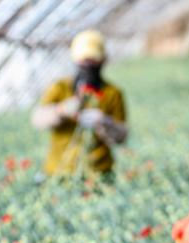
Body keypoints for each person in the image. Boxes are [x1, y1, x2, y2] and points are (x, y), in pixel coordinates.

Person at [31, 30, 128, 177]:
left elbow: (122, 136)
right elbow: (38, 119)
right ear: (74, 59)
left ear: (103, 60)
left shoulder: (112, 93)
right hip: (59, 170)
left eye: (93, 60)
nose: (88, 65)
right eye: (83, 60)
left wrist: (104, 122)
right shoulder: (60, 87)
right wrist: (61, 110)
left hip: (99, 172)